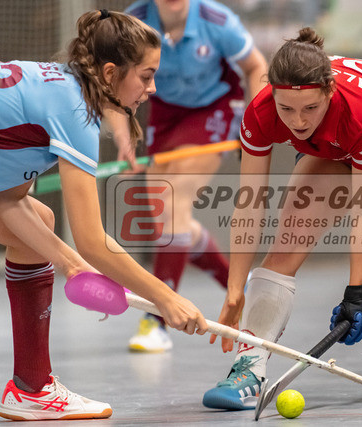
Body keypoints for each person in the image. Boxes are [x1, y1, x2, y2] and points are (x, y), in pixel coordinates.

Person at [202, 27, 362, 410]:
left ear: (330, 92)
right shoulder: (260, 112)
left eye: (310, 108)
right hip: (334, 150)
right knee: (284, 249)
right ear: (272, 94)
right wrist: (235, 291)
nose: (298, 121)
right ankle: (248, 369)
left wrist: (356, 292)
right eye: (287, 109)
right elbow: (249, 205)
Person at [0, 10, 208, 421]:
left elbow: (7, 201)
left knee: (39, 223)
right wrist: (165, 299)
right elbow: (93, 242)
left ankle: (31, 389)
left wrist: (70, 265)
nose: (152, 88)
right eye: (146, 76)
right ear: (110, 73)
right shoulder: (74, 112)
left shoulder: (55, 87)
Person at [124, 0, 267, 353]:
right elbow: (116, 81)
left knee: (174, 203)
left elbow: (255, 66)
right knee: (168, 218)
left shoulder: (217, 21)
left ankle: (157, 320)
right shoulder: (134, 22)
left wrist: (254, 126)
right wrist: (125, 134)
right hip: (165, 112)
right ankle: (240, 285)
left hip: (213, 108)